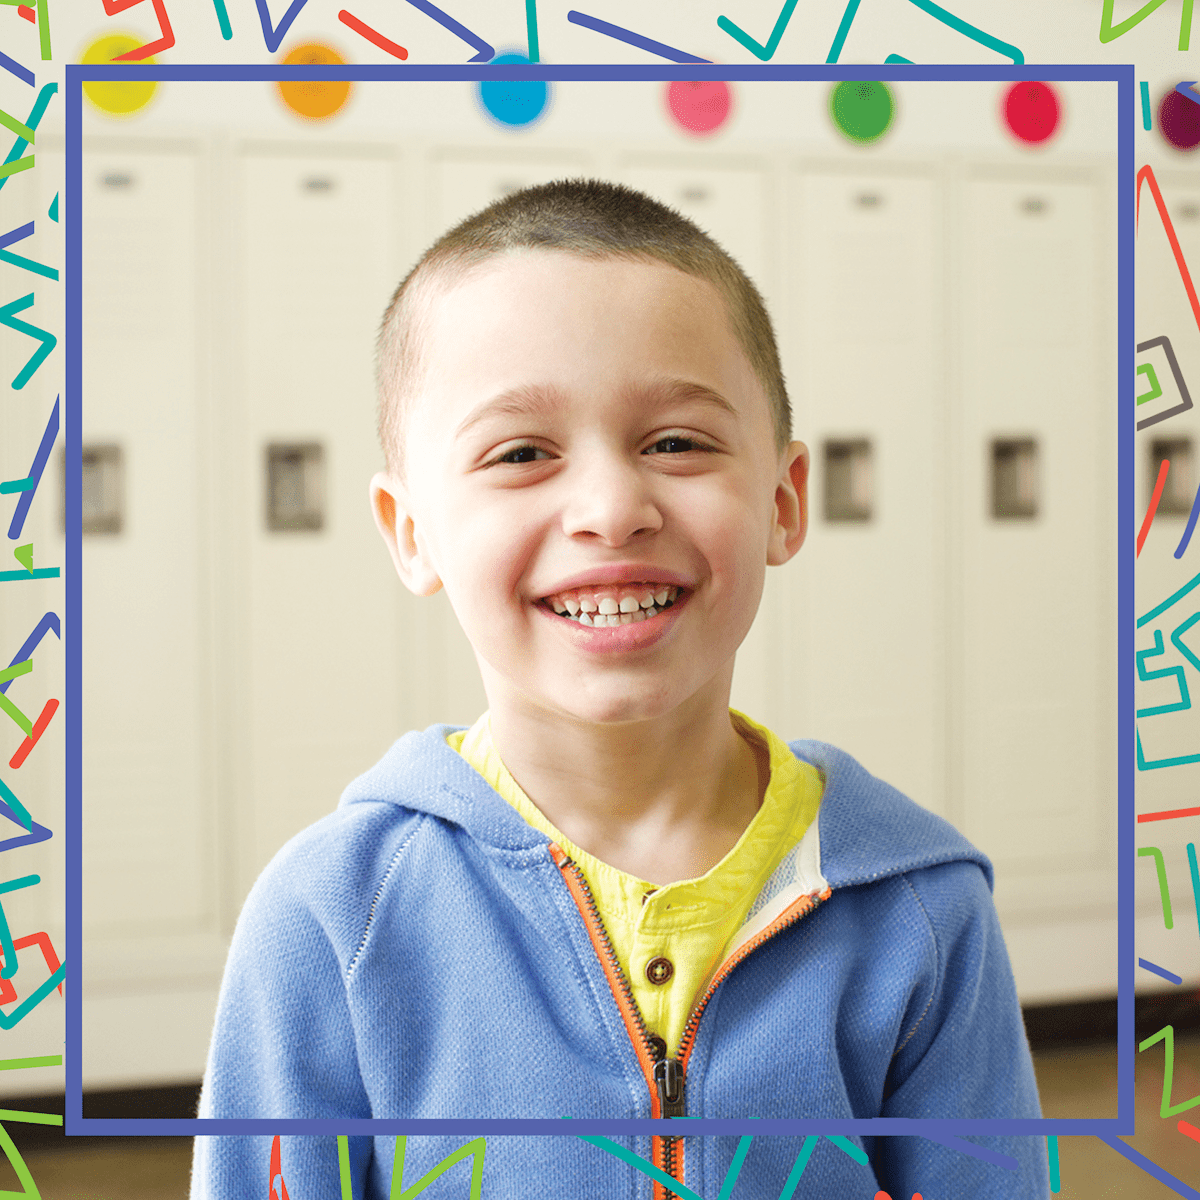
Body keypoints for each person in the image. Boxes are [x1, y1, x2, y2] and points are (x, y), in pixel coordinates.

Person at [191, 178, 1048, 1199]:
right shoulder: (331, 918)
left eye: (676, 441)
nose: (609, 507)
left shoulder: (919, 906)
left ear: (782, 502)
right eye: (520, 453)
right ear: (410, 532)